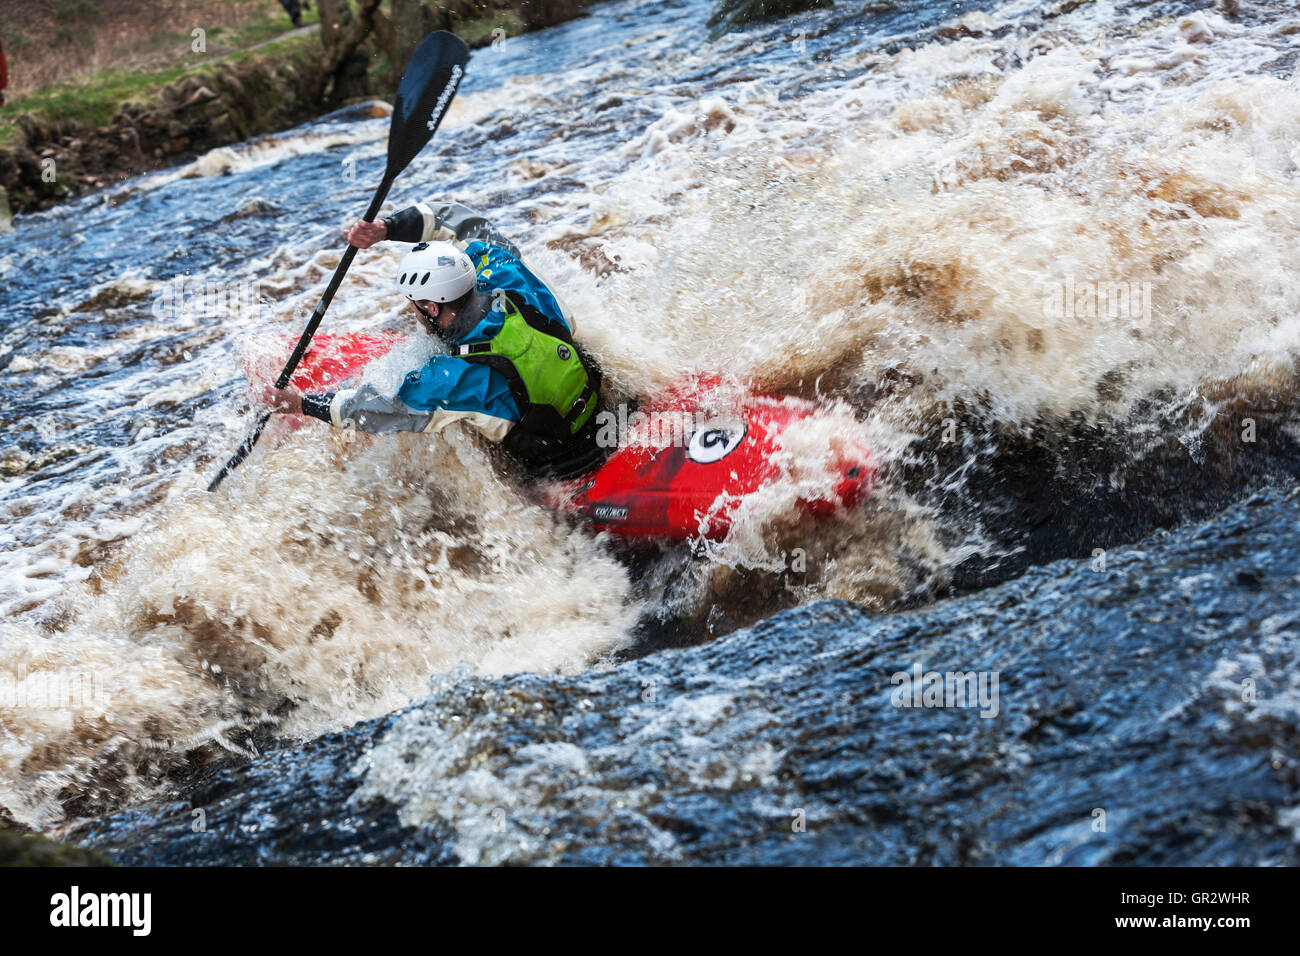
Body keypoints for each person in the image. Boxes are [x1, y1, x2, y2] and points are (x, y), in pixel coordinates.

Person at [263, 201, 607, 480]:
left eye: (412, 305)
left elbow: (378, 408)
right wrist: (387, 228)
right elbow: (464, 222)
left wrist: (300, 404)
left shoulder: (450, 378)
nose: (411, 312)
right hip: (604, 412)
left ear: (429, 306)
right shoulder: (504, 271)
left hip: (562, 466)